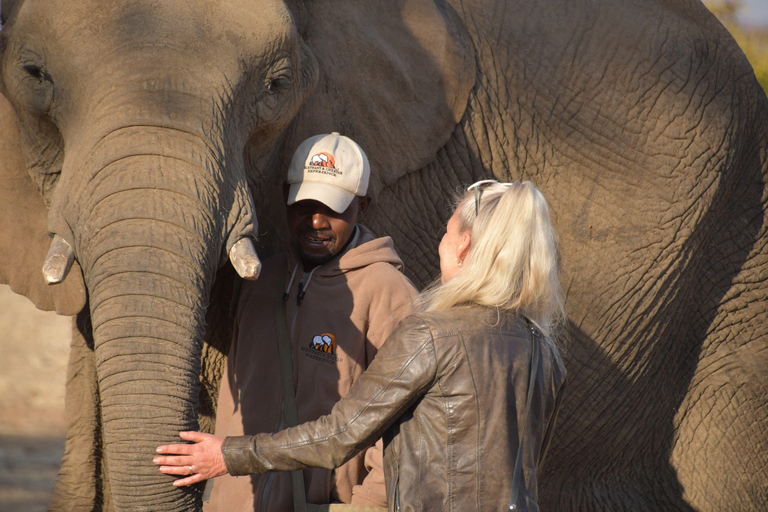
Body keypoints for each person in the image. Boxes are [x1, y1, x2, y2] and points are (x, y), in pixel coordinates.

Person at [156, 180, 567, 512]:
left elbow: (340, 434)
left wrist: (231, 454)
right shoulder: (544, 351)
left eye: (446, 231)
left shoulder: (431, 335)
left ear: (463, 245)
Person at [203, 133, 419, 511]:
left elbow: (405, 430)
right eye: (303, 205)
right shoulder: (257, 281)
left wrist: (369, 507)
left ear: (362, 206)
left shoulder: (389, 293)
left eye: (332, 209)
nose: (315, 221)